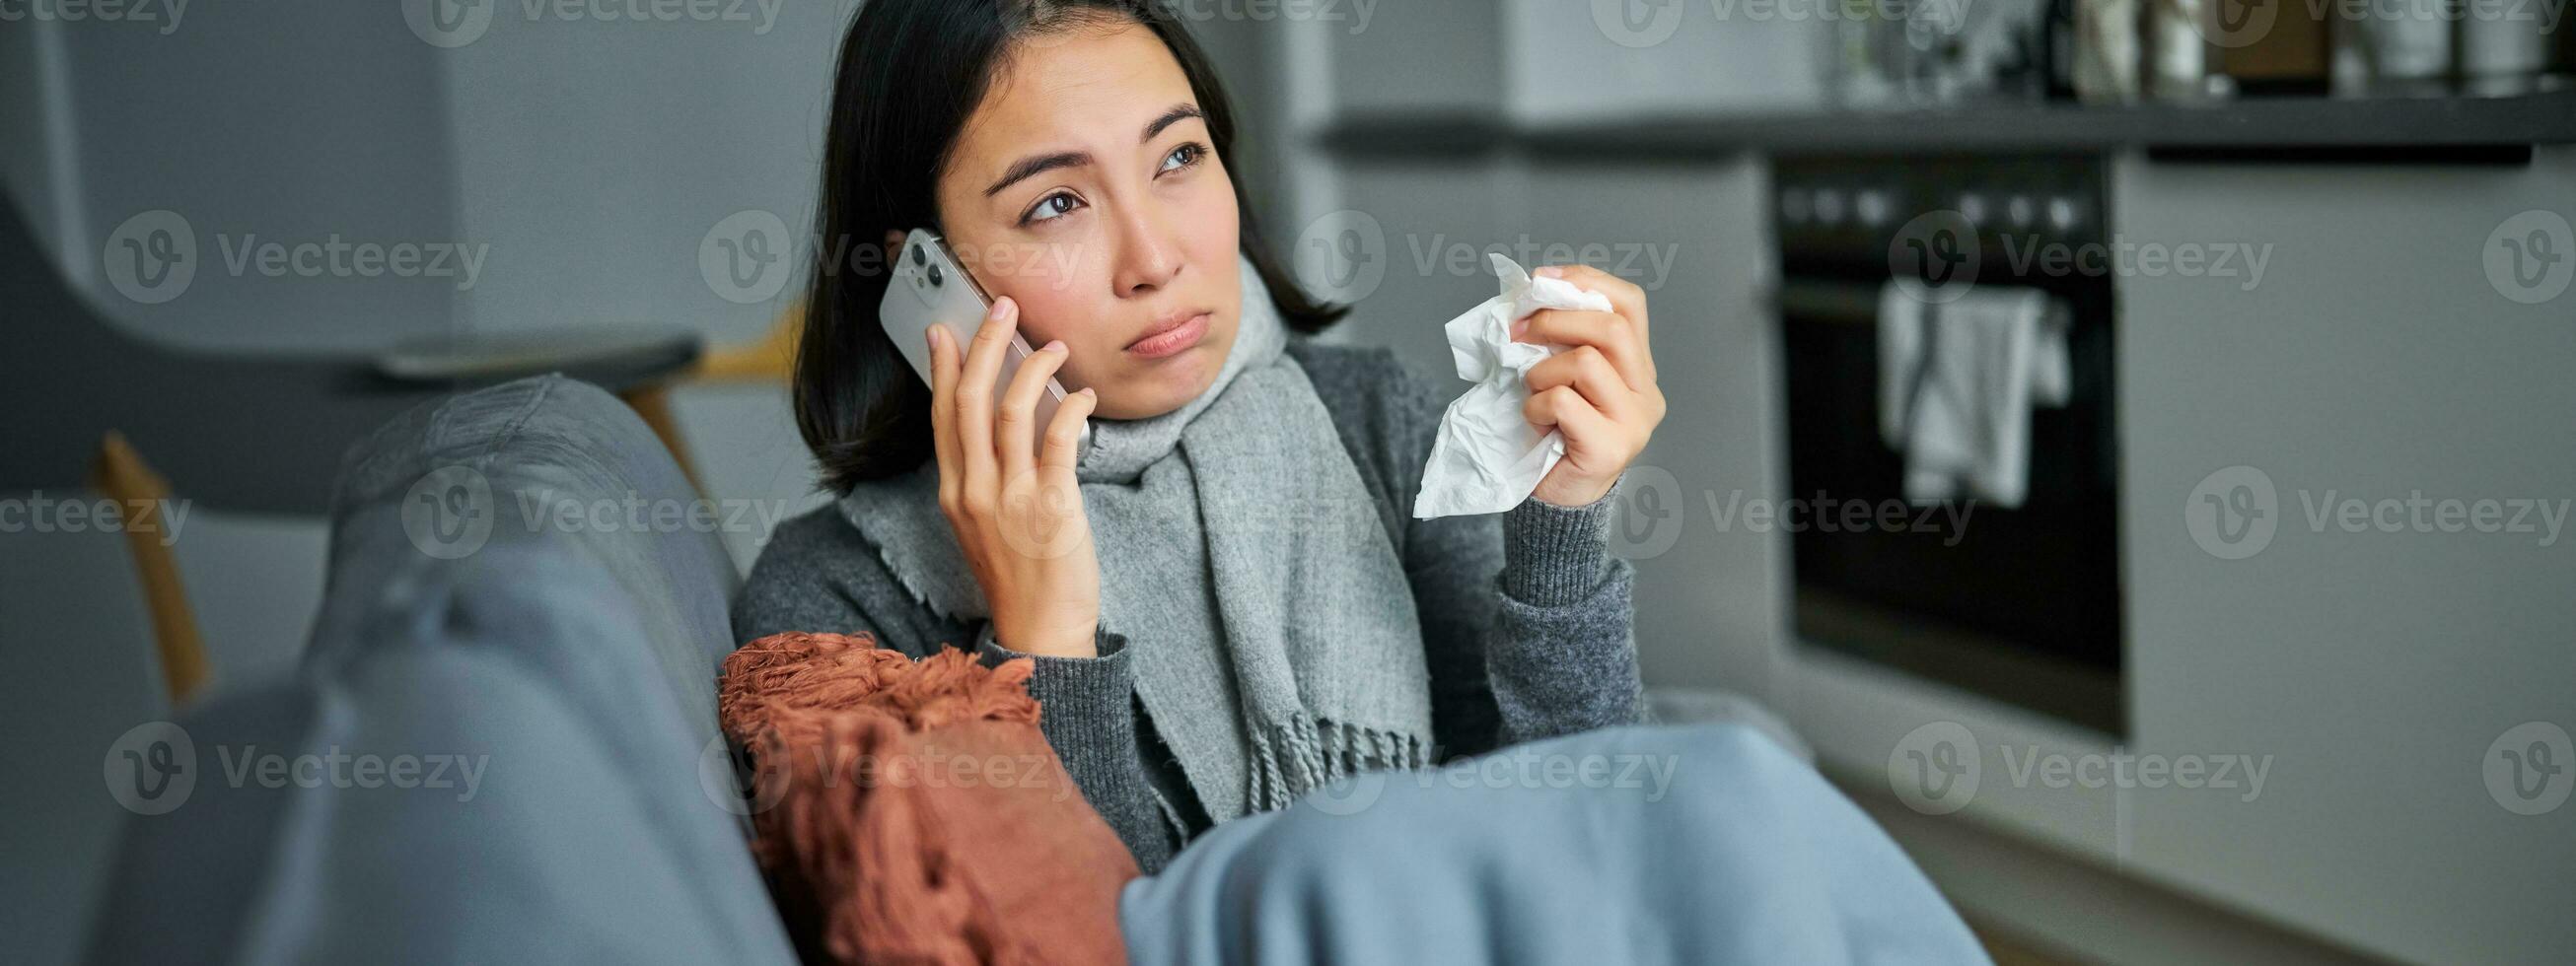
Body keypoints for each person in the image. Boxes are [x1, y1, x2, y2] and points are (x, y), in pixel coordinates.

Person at [734, 0, 1668, 874]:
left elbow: (1583, 837)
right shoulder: (830, 602)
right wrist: (1044, 644)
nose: (1154, 260)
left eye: (1177, 158)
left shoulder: (1374, 420)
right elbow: (1075, 936)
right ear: (923, 274)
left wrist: (1561, 526)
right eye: (1055, 203)